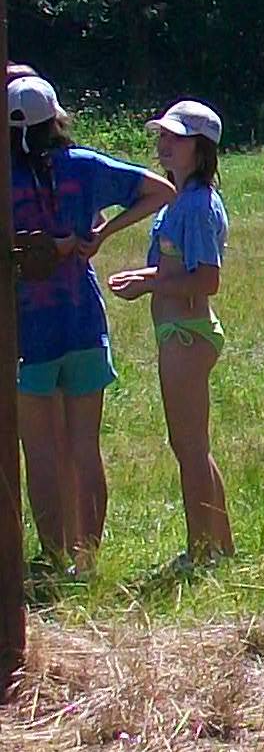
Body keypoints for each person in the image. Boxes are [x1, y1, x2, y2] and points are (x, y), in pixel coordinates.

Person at [7, 73, 173, 571]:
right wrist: (103, 233)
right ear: (55, 119)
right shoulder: (83, 165)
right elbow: (159, 190)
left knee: (40, 452)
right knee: (85, 447)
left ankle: (53, 556)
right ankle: (89, 560)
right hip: (83, 319)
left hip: (27, 330)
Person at [107, 100, 234, 569]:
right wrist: (145, 277)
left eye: (176, 138)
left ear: (202, 149)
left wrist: (148, 283)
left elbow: (207, 279)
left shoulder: (197, 205)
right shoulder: (177, 201)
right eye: (162, 136)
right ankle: (221, 545)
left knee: (189, 449)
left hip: (187, 332)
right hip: (178, 331)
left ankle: (201, 552)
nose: (164, 144)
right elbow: (174, 267)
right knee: (192, 447)